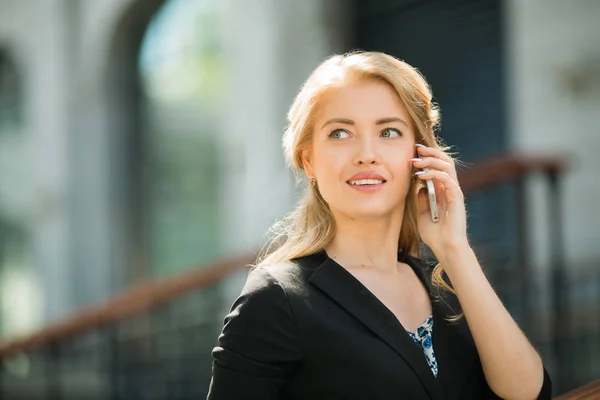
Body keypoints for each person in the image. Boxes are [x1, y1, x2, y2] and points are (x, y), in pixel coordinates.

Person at [206, 51, 552, 399]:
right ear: (308, 160)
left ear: (419, 155)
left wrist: (453, 248)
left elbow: (529, 394)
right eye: (340, 133)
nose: (366, 154)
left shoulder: (451, 288)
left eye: (389, 131)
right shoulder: (277, 299)